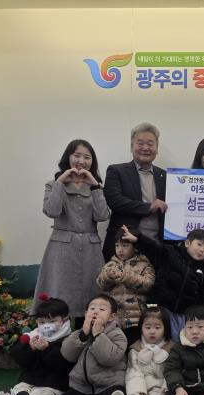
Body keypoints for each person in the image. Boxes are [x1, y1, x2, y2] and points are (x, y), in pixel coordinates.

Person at [12, 295, 128, 395]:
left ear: (111, 317)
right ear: (86, 314)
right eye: (92, 308)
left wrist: (98, 335)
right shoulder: (79, 333)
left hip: (108, 384)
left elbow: (108, 358)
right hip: (82, 385)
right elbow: (67, 354)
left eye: (102, 309)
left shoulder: (117, 335)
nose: (96, 312)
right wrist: (83, 335)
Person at [33, 139, 110, 323]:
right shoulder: (53, 184)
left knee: (92, 299)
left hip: (91, 250)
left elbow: (103, 215)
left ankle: (88, 337)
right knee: (58, 299)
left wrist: (95, 186)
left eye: (87, 157)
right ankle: (58, 338)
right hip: (61, 250)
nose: (81, 161)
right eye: (77, 155)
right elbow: (52, 211)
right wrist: (60, 182)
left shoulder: (96, 186)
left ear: (92, 162)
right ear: (68, 157)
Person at [0, 295, 74, 395]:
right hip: (28, 380)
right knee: (16, 392)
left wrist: (47, 349)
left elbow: (63, 365)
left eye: (52, 321)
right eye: (42, 322)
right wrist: (30, 349)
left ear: (64, 320)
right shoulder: (33, 335)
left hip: (53, 385)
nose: (46, 326)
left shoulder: (69, 340)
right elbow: (20, 359)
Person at [120, 224, 204, 340]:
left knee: (177, 340)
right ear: (187, 243)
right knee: (156, 337)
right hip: (161, 307)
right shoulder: (171, 252)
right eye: (199, 244)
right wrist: (138, 240)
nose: (202, 250)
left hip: (183, 314)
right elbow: (154, 249)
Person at [103, 123, 167, 260]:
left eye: (150, 144)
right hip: (123, 247)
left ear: (157, 148)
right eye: (140, 143)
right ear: (131, 147)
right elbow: (115, 201)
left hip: (154, 247)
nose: (145, 148)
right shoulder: (116, 171)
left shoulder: (166, 176)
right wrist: (149, 207)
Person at [97, 226, 155, 346]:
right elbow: (100, 284)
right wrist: (108, 276)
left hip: (135, 319)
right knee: (115, 345)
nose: (120, 250)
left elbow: (148, 285)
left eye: (125, 246)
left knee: (133, 346)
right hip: (114, 318)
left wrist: (125, 276)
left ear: (135, 246)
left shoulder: (144, 264)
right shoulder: (111, 264)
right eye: (117, 246)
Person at [122, 306, 173, 395]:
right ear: (141, 328)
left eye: (157, 327)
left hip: (160, 388)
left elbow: (173, 371)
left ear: (165, 329)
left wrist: (165, 388)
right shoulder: (135, 349)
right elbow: (133, 372)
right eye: (148, 327)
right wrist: (139, 391)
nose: (152, 331)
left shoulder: (172, 349)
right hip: (143, 386)